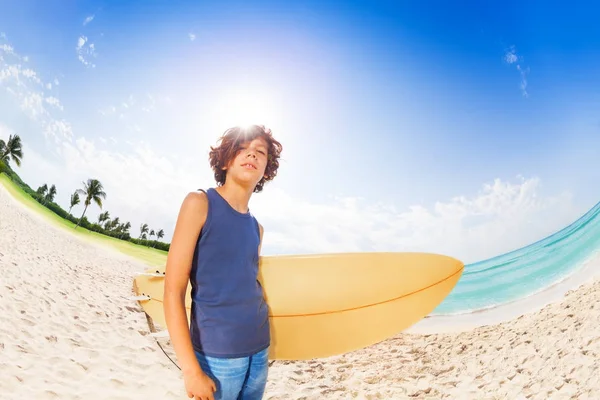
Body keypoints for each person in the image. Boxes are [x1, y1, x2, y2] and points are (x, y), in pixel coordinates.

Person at [163, 125, 283, 400]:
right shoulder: (199, 203)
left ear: (266, 169)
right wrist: (191, 371)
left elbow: (246, 284)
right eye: (242, 148)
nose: (251, 154)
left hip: (259, 348)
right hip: (216, 356)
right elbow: (173, 290)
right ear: (227, 160)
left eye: (260, 152)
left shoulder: (257, 228)